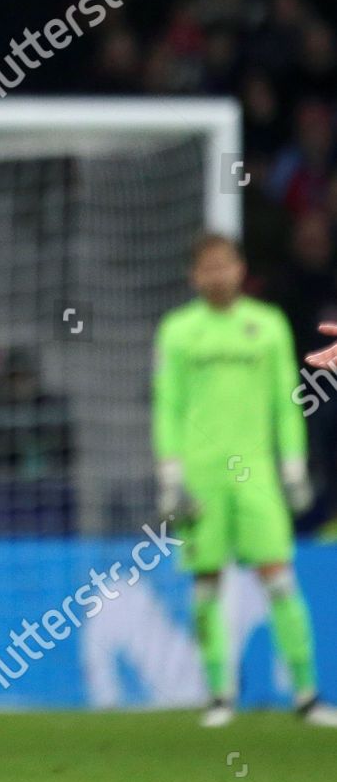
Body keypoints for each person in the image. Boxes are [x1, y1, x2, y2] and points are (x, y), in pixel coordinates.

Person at [152, 232, 336, 727]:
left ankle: (306, 696)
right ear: (195, 276)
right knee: (206, 582)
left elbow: (284, 401)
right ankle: (219, 697)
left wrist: (293, 466)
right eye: (207, 267)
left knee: (278, 577)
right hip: (201, 477)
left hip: (255, 474)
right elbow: (167, 404)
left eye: (225, 264)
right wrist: (170, 471)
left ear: (240, 268)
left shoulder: (268, 325)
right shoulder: (178, 330)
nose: (217, 274)